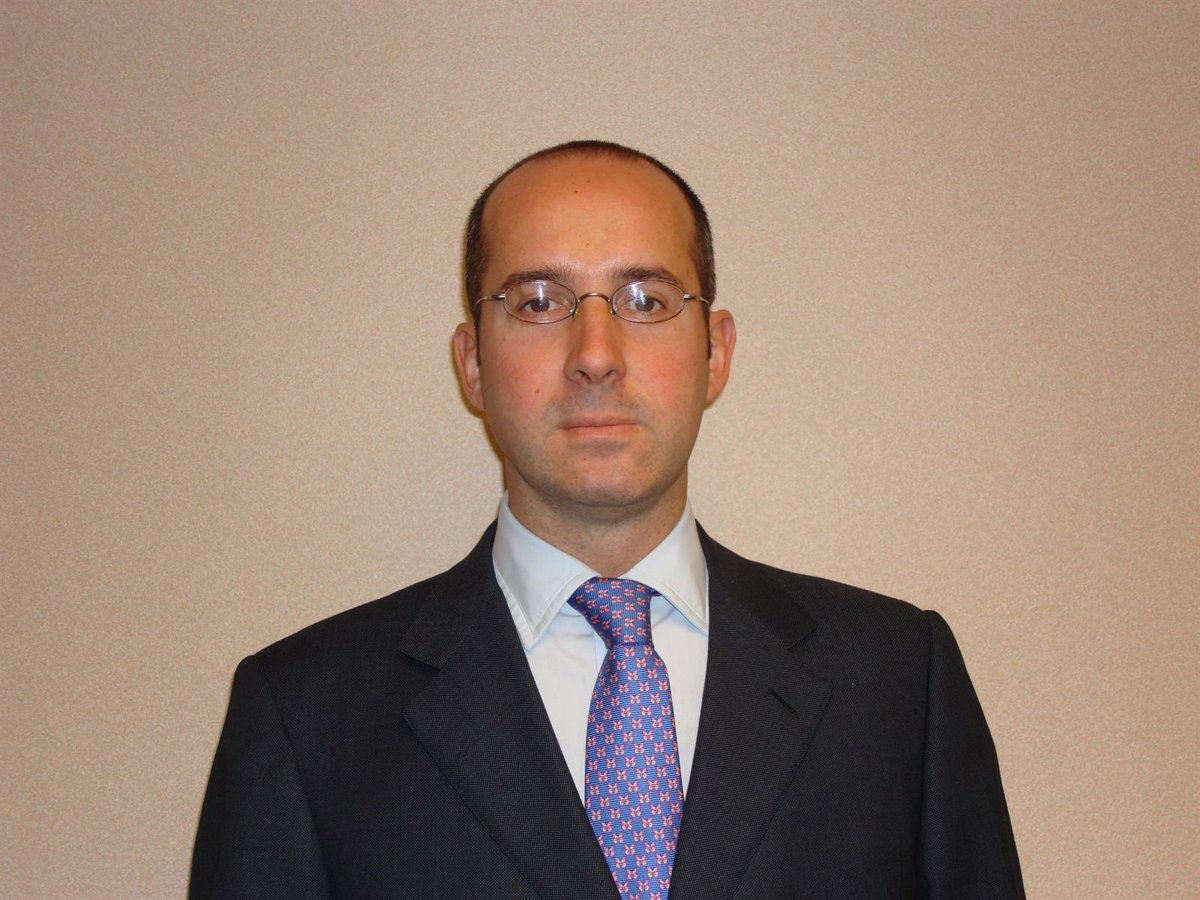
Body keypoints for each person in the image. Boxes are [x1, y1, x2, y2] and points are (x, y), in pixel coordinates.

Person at [191, 141, 1024, 899]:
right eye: (539, 301)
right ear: (473, 362)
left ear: (716, 352)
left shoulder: (898, 685)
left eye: (645, 299)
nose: (595, 354)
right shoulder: (306, 719)